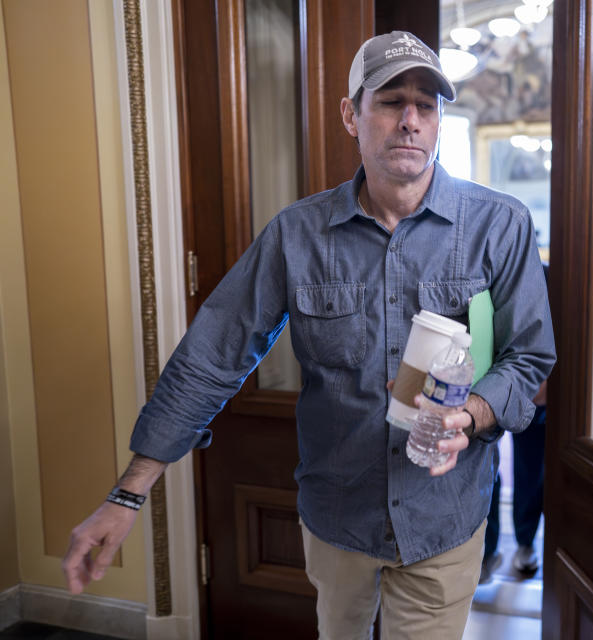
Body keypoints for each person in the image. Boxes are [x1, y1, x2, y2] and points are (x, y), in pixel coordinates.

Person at [61, 31, 555, 640]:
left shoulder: (499, 225)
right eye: (390, 101)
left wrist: (474, 412)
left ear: (439, 122)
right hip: (338, 515)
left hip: (444, 518)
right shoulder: (296, 235)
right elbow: (211, 358)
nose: (410, 121)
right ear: (352, 114)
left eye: (426, 106)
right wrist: (128, 495)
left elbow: (528, 357)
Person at [480, 265, 548, 584]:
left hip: (533, 392)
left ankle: (525, 541)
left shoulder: (546, 277)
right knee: (485, 464)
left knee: (530, 469)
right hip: (480, 387)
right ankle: (487, 552)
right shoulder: (478, 271)